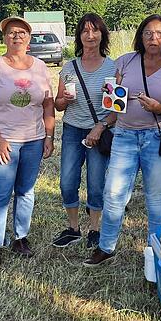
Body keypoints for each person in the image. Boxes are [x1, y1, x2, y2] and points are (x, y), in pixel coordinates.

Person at [85, 14, 161, 267]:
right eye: (148, 33)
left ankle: (157, 252)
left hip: (158, 135)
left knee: (155, 197)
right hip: (124, 135)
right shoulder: (125, 61)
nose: (153, 38)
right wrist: (109, 97)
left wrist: (159, 108)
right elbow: (115, 104)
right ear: (140, 37)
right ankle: (106, 247)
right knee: (113, 194)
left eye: (159, 34)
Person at [0, 16, 54, 269]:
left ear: (29, 39)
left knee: (26, 191)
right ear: (4, 38)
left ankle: (21, 237)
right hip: (5, 141)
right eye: (11, 32)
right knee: (1, 192)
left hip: (34, 140)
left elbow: (48, 104)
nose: (16, 36)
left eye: (22, 32)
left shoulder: (40, 67)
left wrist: (49, 136)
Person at [51, 13, 116, 249]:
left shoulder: (113, 66)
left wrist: (101, 126)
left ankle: (95, 230)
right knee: (67, 182)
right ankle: (73, 228)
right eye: (85, 31)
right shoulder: (69, 67)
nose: (90, 35)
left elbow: (117, 108)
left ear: (102, 34)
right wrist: (64, 100)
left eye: (95, 30)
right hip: (72, 130)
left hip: (98, 132)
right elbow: (57, 104)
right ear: (79, 36)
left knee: (96, 183)